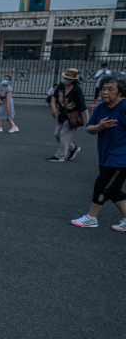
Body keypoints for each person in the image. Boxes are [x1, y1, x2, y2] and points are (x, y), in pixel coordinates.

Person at [71, 76, 126, 232]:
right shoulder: (101, 107)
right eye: (103, 89)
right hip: (105, 155)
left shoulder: (124, 107)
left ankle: (91, 218)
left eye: (110, 89)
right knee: (114, 190)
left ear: (120, 92)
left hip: (121, 157)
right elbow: (89, 129)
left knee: (102, 186)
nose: (105, 92)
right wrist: (100, 126)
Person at [48, 68, 89, 162]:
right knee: (57, 134)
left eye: (67, 78)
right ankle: (72, 148)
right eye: (65, 77)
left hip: (72, 116)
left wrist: (87, 119)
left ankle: (60, 156)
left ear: (72, 80)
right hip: (62, 114)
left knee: (64, 136)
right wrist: (54, 108)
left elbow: (83, 106)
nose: (65, 79)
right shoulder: (62, 85)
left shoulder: (76, 90)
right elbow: (54, 96)